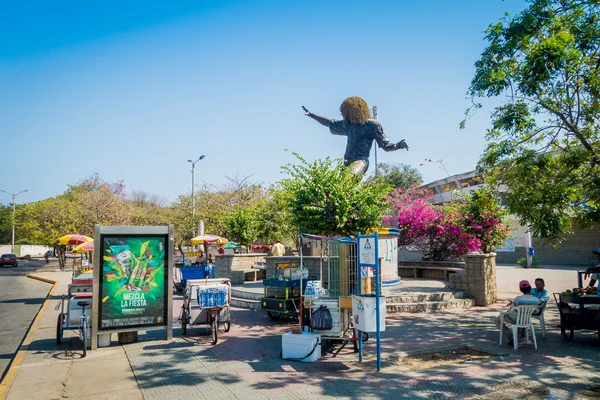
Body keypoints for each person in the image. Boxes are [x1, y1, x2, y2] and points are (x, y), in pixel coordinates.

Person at [302, 97, 409, 176]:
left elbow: (386, 146)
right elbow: (329, 123)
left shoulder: (372, 125)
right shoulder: (348, 125)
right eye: (345, 114)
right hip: (347, 162)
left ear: (356, 112)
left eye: (348, 113)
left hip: (360, 161)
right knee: (337, 190)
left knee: (347, 180)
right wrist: (312, 115)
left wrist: (398, 145)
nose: (345, 116)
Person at [495, 280, 540, 345]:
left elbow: (514, 309)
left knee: (497, 320)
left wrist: (512, 304)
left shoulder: (518, 299)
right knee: (518, 316)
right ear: (530, 288)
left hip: (515, 319)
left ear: (520, 289)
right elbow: (535, 310)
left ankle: (512, 338)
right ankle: (519, 337)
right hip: (526, 320)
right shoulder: (536, 300)